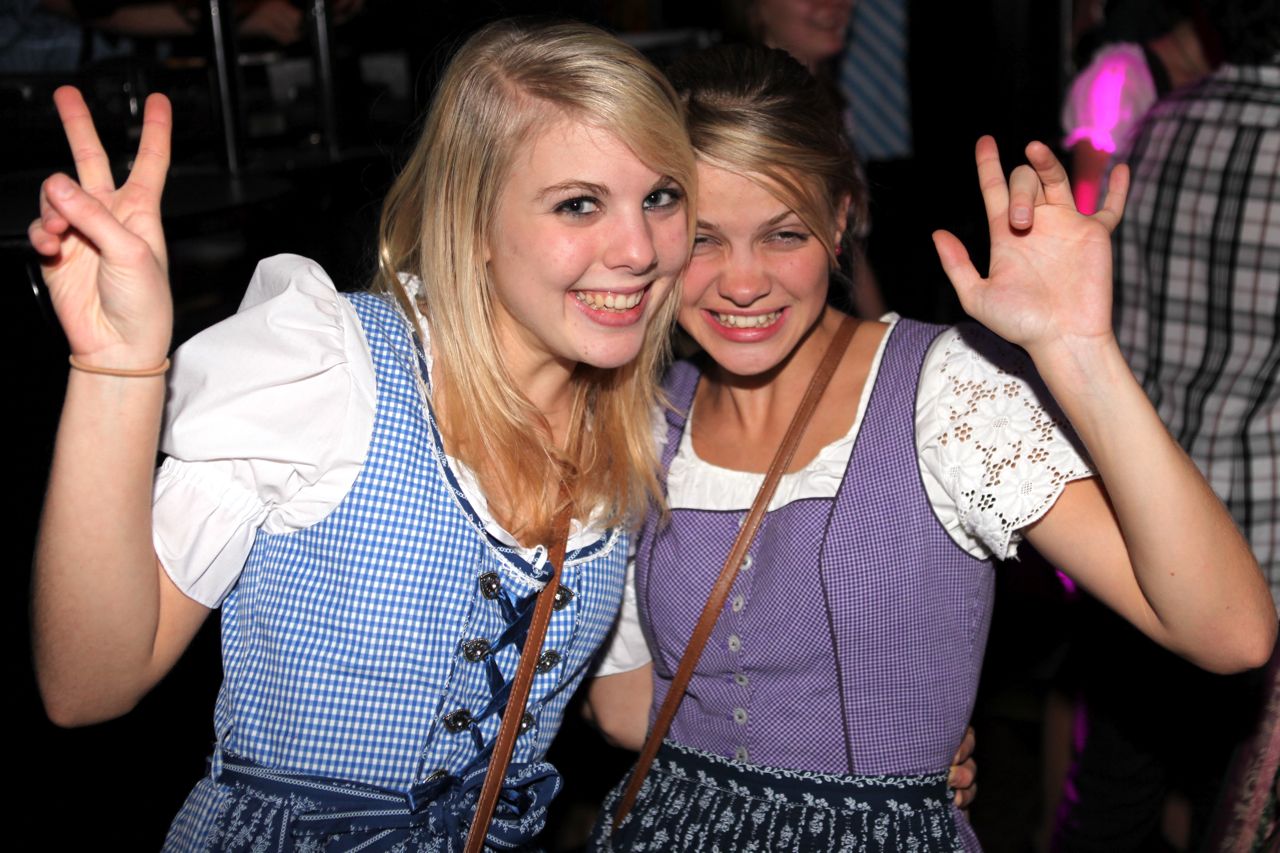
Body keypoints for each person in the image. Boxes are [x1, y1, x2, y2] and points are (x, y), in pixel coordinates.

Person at [584, 45, 1276, 851]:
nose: (743, 282)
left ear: (840, 220)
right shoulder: (642, 414)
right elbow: (625, 707)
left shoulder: (944, 393)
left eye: (784, 233)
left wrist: (1082, 350)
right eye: (703, 238)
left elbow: (1230, 631)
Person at [28, 18, 697, 851]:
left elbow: (632, 707)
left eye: (661, 197)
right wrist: (115, 367)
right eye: (578, 203)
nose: (639, 248)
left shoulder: (639, 432)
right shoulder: (328, 369)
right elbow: (87, 685)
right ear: (472, 223)